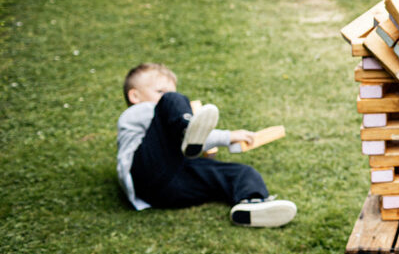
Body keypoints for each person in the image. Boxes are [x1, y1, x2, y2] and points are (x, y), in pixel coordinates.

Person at [116, 63, 297, 227]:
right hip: (145, 176)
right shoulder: (136, 112)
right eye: (160, 92)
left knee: (241, 172)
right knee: (173, 101)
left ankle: (252, 204)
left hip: (170, 190)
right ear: (135, 95)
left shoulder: (165, 118)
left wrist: (205, 148)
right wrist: (227, 136)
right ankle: (187, 129)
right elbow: (167, 126)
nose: (165, 97)